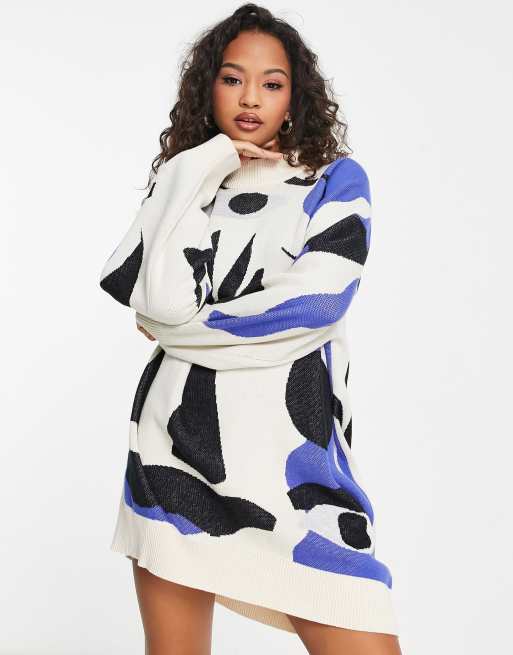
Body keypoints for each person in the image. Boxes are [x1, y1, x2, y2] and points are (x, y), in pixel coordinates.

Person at [99, 4, 403, 654]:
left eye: (271, 83)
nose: (250, 98)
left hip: (296, 476)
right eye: (233, 78)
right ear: (207, 85)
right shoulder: (190, 179)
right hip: (175, 455)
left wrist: (178, 332)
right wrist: (198, 165)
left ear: (295, 96)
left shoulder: (331, 181)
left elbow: (313, 307)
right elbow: (156, 295)